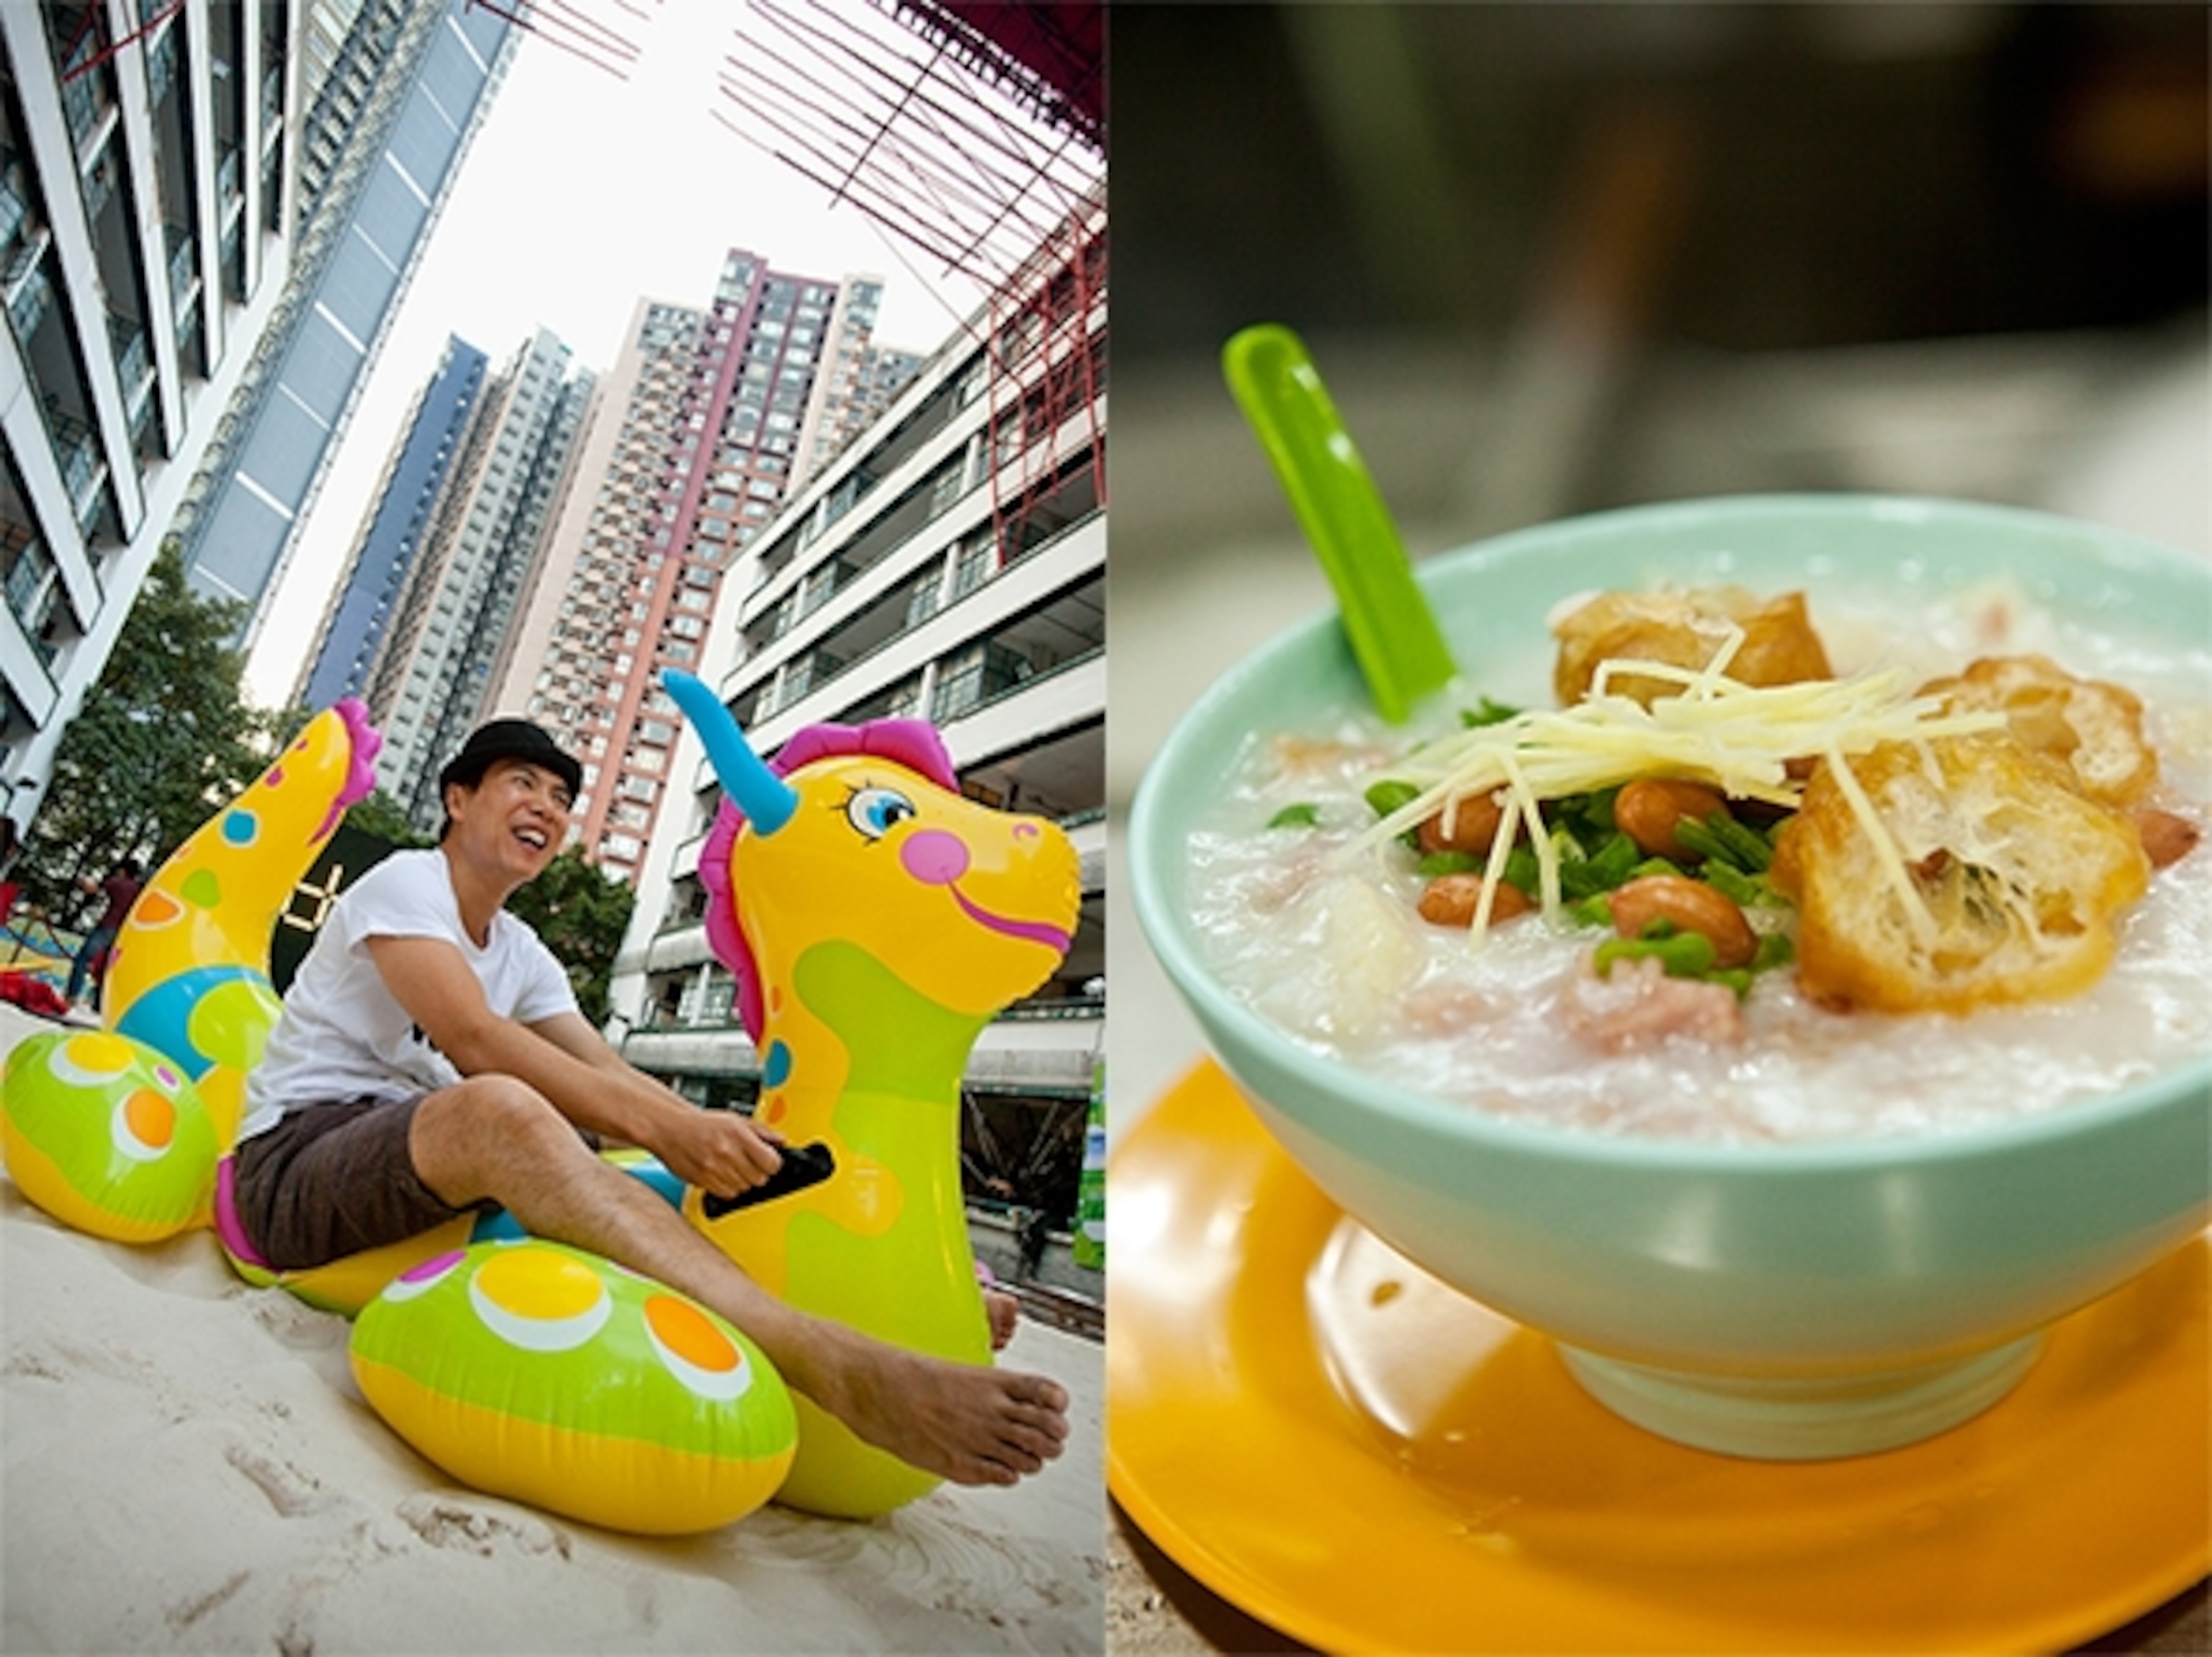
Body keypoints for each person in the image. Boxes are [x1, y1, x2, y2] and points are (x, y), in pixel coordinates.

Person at [230, 718, 1066, 1492]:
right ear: (458, 799)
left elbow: (608, 1073)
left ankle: (888, 1308)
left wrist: (712, 1139)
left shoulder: (523, 953)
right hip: (298, 1162)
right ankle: (837, 1367)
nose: (546, 809)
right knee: (506, 1109)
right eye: (523, 783)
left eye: (561, 798)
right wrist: (670, 1128)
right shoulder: (405, 883)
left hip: (420, 1172)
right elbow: (474, 1039)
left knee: (670, 1178)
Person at [66, 855, 143, 1004]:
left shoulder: (117, 883)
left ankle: (72, 995)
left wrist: (81, 881)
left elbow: (93, 889)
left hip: (108, 927)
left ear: (122, 871)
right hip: (125, 933)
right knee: (108, 969)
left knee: (83, 959)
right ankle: (99, 1003)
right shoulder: (138, 889)